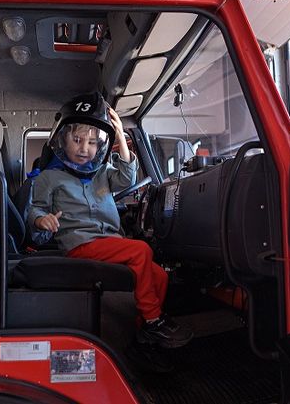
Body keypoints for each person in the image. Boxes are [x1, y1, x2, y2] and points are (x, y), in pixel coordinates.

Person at [28, 92, 193, 350]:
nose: (84, 148)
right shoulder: (49, 178)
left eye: (92, 143)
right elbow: (36, 209)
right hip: (80, 245)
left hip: (108, 243)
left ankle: (143, 332)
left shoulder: (102, 173)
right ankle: (153, 319)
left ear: (101, 146)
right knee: (141, 250)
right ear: (63, 139)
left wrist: (121, 138)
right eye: (77, 140)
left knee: (159, 276)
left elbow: (126, 178)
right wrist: (42, 221)